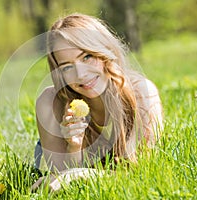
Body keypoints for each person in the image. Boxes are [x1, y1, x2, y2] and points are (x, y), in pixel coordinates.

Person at [32, 13, 163, 191]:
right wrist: (74, 147)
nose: (81, 74)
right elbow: (61, 179)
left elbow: (143, 173)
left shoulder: (143, 94)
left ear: (104, 52)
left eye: (87, 57)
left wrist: (81, 174)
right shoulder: (50, 103)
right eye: (67, 66)